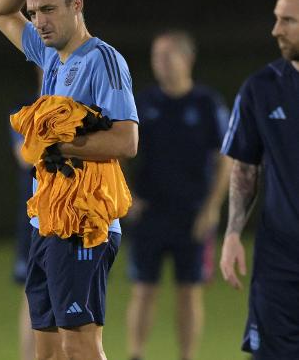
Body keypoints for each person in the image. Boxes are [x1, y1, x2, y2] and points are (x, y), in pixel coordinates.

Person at [0, 0, 138, 360]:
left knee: (80, 345)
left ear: (77, 5)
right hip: (47, 221)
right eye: (34, 13)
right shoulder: (50, 55)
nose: (38, 22)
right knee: (49, 350)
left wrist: (57, 147)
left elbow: (126, 140)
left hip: (83, 223)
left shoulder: (103, 60)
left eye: (49, 10)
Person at [126, 30, 231, 360]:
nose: (160, 63)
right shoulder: (143, 104)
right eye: (156, 56)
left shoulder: (207, 103)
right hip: (150, 213)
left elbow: (225, 158)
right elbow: (117, 153)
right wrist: (127, 196)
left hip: (193, 214)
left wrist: (212, 207)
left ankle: (187, 356)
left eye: (167, 56)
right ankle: (136, 354)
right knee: (144, 289)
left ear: (187, 59)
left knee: (189, 291)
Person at [220, 0, 299, 359]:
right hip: (279, 262)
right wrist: (233, 233)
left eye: (288, 21)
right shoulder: (260, 88)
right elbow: (245, 169)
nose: (275, 30)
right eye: (276, 18)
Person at [10, 67, 42, 360]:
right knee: (32, 292)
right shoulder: (25, 111)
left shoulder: (83, 108)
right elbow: (24, 156)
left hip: (76, 215)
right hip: (36, 216)